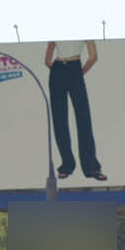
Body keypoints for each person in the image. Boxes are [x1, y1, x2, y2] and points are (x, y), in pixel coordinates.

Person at [44, 39, 105, 181]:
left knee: (83, 118)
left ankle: (92, 167)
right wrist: (57, 71)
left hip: (74, 67)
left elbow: (93, 57)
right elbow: (47, 59)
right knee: (59, 120)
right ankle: (66, 165)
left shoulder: (85, 29)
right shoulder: (55, 28)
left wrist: (79, 72)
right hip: (57, 69)